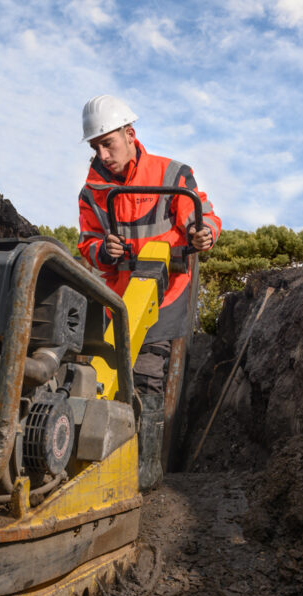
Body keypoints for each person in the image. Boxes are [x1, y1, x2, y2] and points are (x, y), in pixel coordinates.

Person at [76, 94, 220, 487]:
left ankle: (145, 472)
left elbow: (202, 216)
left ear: (130, 133)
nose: (104, 153)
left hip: (167, 291)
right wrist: (102, 251)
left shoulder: (171, 174)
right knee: (101, 376)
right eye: (97, 146)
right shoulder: (92, 192)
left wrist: (204, 233)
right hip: (117, 298)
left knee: (147, 375)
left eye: (109, 142)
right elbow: (86, 241)